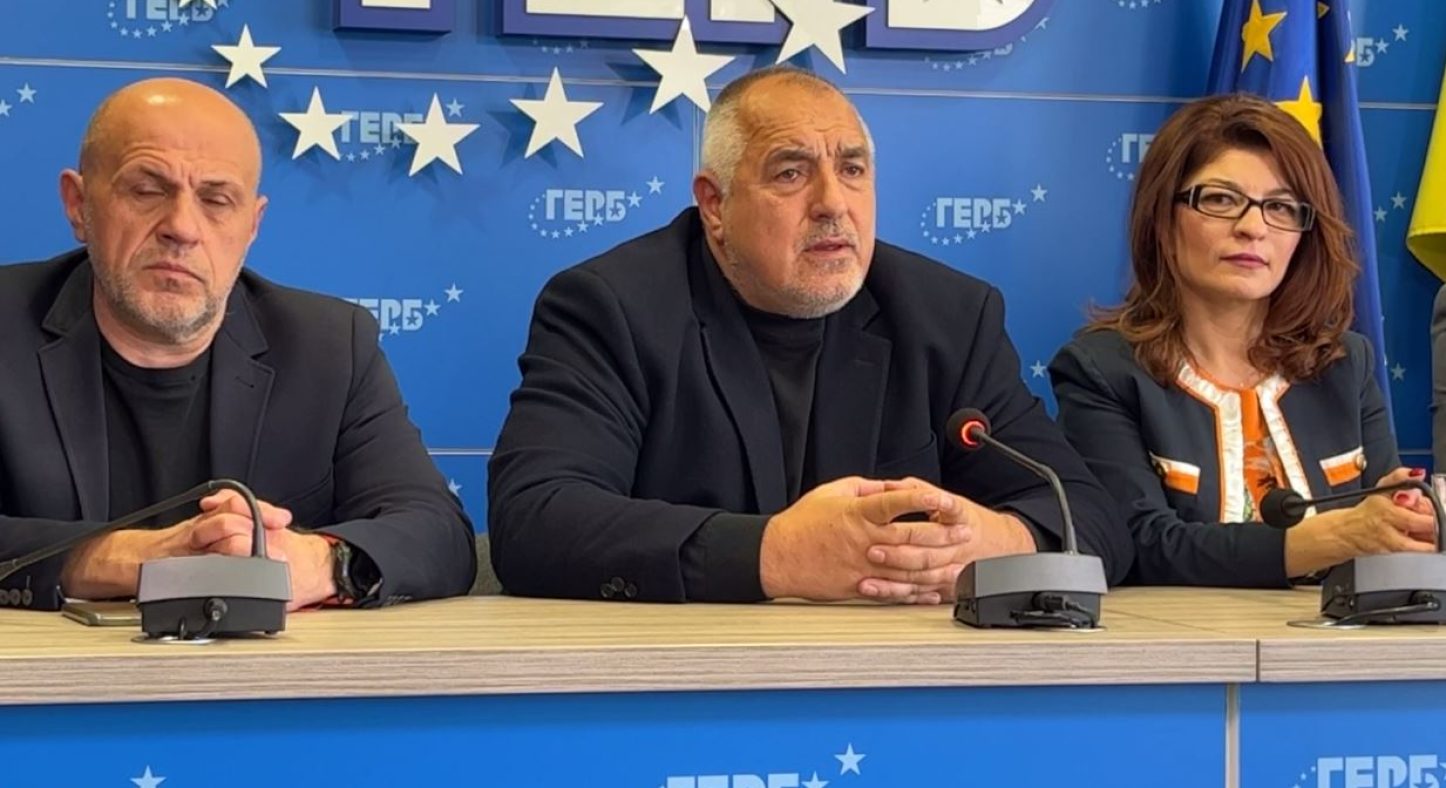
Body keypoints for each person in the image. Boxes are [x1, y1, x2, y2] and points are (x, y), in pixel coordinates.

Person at [488, 66, 1132, 604]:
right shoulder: (613, 307)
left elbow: (1091, 516)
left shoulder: (948, 316)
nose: (832, 203)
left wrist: (992, 541)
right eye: (790, 173)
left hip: (898, 685)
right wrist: (776, 554)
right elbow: (535, 521)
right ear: (715, 205)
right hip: (681, 682)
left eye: (852, 170)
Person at [0, 77, 475, 612]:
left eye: (216, 199)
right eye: (147, 190)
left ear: (252, 224)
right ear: (78, 204)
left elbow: (438, 533)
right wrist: (127, 558)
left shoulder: (329, 347)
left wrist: (320, 562)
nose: (182, 227)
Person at [1049, 94, 1434, 587]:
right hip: (1180, 633)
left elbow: (1383, 528)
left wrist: (1408, 519)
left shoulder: (1344, 363)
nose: (1253, 228)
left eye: (1281, 207)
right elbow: (1137, 544)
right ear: (1162, 220)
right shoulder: (1102, 370)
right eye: (1220, 200)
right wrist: (1335, 537)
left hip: (1339, 633)